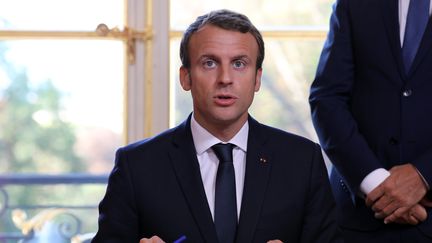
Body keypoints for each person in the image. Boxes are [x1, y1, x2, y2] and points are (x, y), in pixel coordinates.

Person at [92, 9, 341, 243]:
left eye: (239, 64)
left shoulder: (302, 161)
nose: (225, 79)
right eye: (209, 63)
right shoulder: (137, 166)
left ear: (257, 78)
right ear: (186, 77)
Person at [309, 0, 432, 242]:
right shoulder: (353, 4)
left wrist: (424, 174)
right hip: (359, 220)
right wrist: (375, 185)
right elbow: (327, 99)